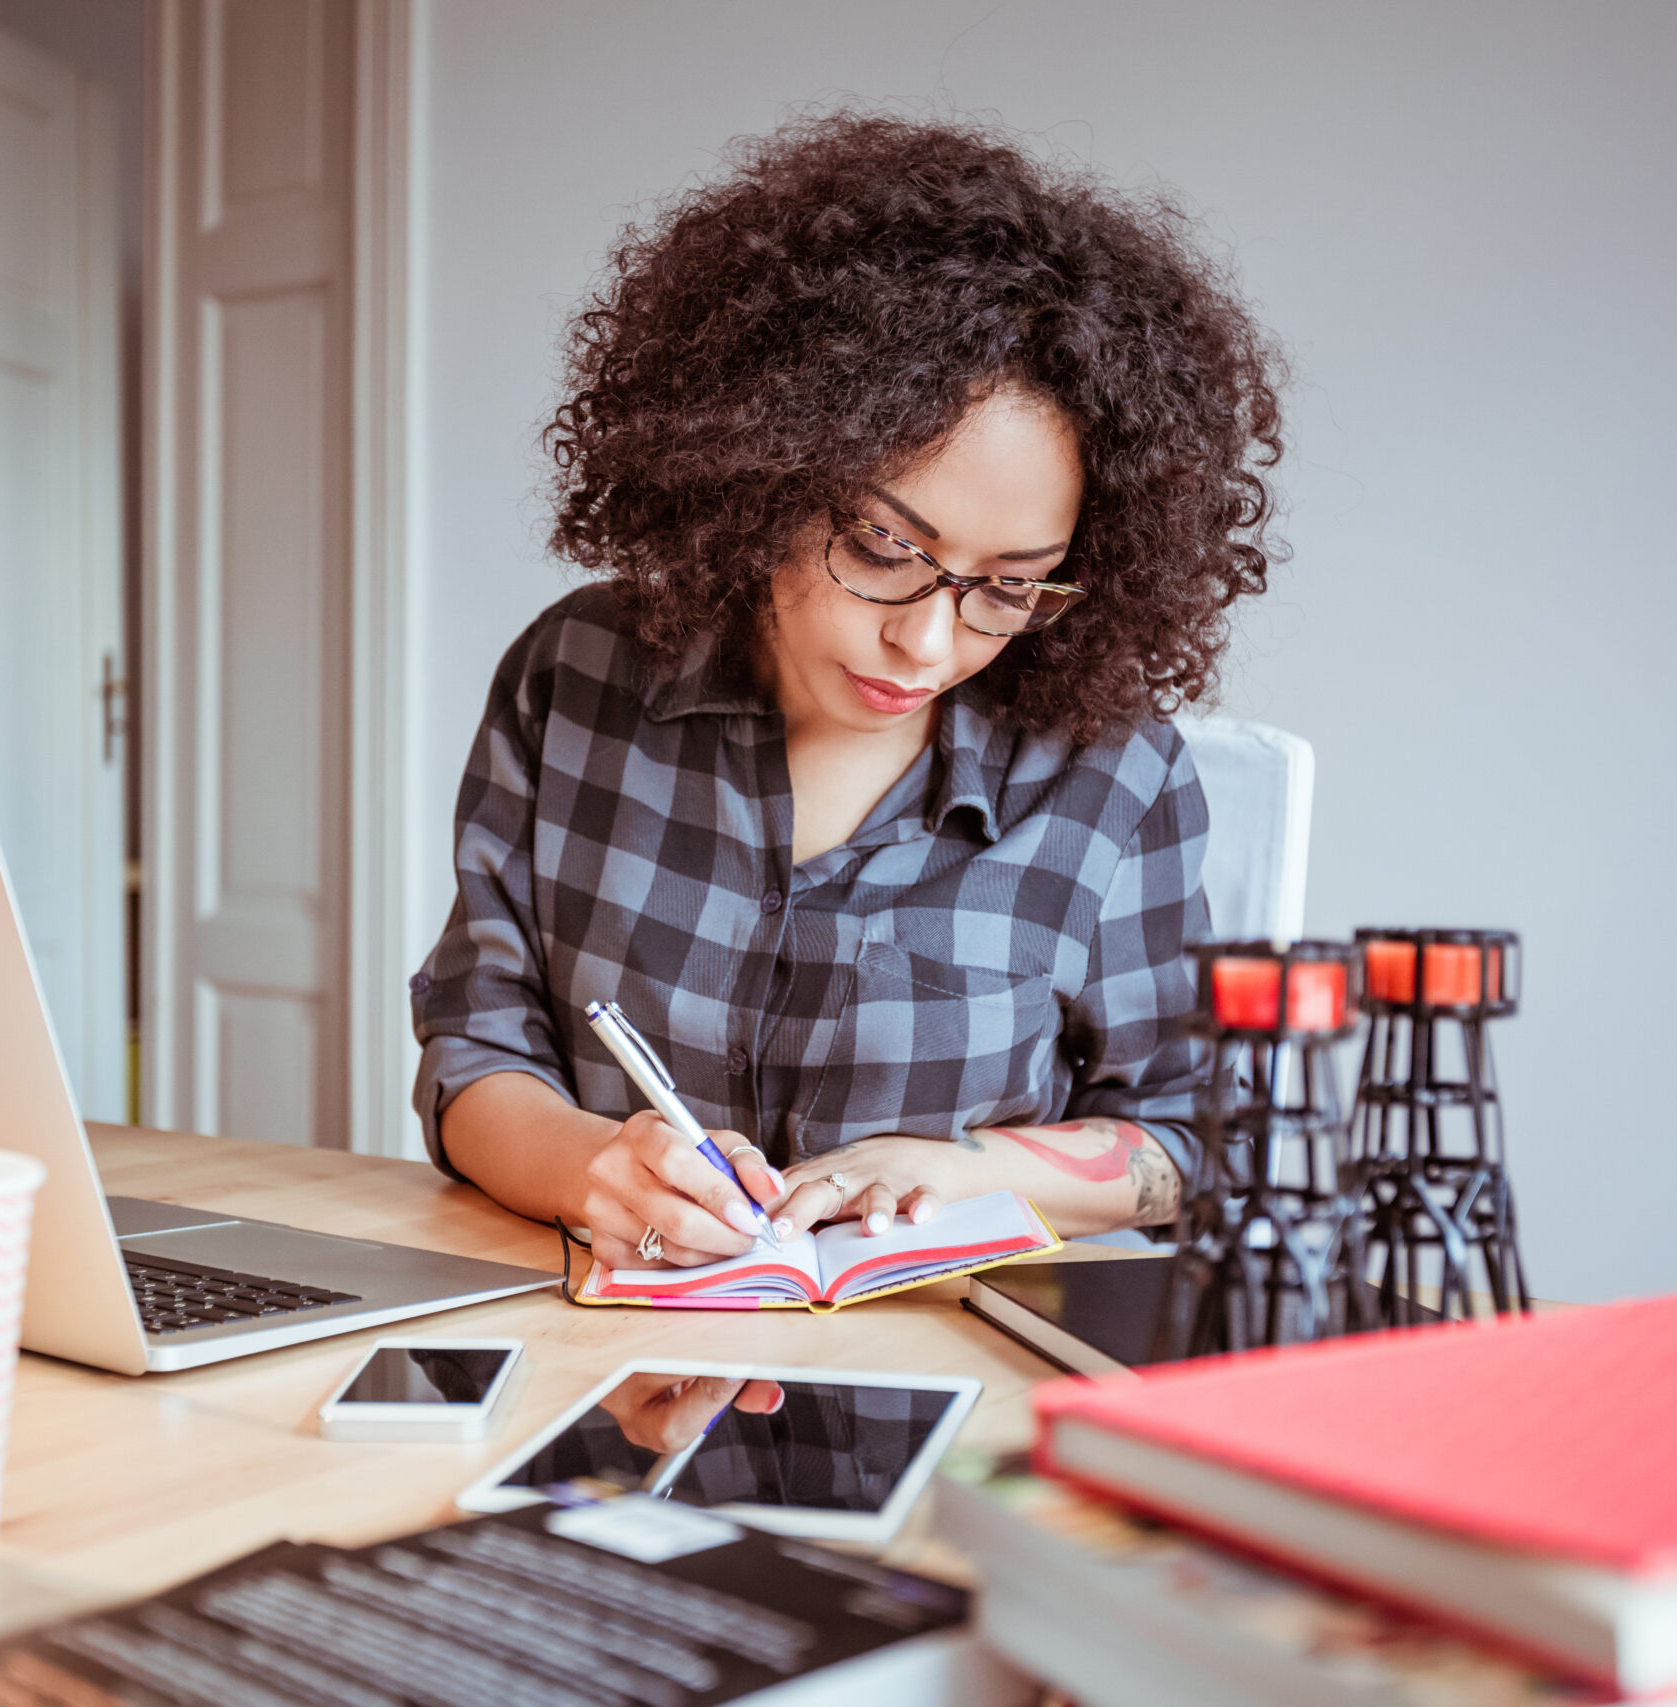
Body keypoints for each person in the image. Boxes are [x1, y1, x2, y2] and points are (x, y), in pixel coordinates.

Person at [410, 112, 1282, 1270]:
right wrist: (594, 1168)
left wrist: (971, 1169)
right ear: (762, 478)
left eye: (1008, 589)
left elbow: (1196, 1135)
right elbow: (476, 1050)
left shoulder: (1107, 770)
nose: (927, 641)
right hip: (607, 1356)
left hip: (940, 1390)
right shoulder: (574, 677)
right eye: (880, 549)